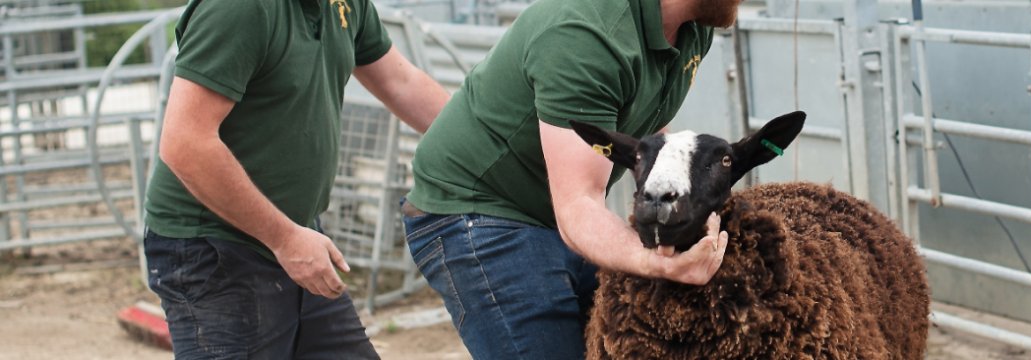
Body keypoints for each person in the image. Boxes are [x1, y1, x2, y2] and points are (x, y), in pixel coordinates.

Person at [401, 0, 743, 356]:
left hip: (556, 206)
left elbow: (651, 124)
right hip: (479, 208)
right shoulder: (587, 37)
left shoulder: (694, 22)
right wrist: (658, 262)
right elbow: (578, 202)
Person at [142, 0, 449, 358]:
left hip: (295, 235)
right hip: (214, 247)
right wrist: (285, 239)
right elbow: (185, 143)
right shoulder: (239, 8)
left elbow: (401, 82)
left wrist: (486, 144)